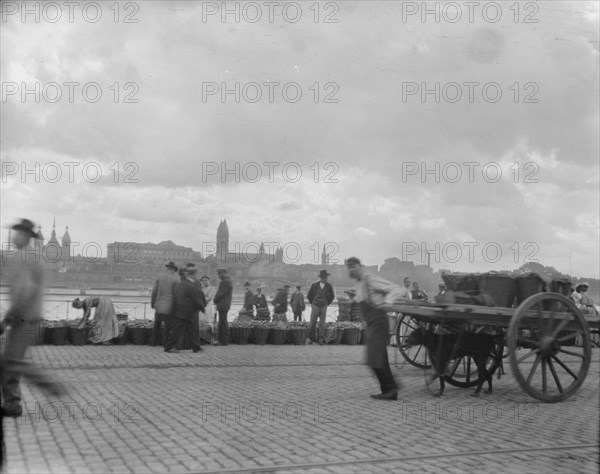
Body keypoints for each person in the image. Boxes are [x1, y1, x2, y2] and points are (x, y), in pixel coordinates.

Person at [346, 256, 409, 401]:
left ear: (360, 267)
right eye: (349, 267)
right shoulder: (358, 283)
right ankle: (389, 390)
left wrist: (388, 302)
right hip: (372, 323)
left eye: (353, 266)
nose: (351, 269)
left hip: (379, 321)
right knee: (379, 356)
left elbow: (397, 289)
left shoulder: (370, 278)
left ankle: (391, 387)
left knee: (373, 356)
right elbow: (365, 297)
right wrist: (354, 300)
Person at [1, 219, 44, 417]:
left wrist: (8, 318)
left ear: (25, 237)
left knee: (10, 362)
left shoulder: (21, 257)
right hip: (31, 318)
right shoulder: (35, 256)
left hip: (23, 318)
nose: (13, 237)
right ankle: (13, 402)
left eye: (17, 233)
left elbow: (24, 289)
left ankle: (13, 404)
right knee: (12, 361)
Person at [164, 263, 205, 353]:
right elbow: (196, 299)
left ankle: (196, 347)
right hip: (185, 312)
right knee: (177, 331)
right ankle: (168, 347)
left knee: (190, 330)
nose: (196, 276)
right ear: (192, 274)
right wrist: (202, 308)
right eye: (196, 274)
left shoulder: (182, 283)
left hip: (181, 311)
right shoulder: (190, 285)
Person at [150, 261, 180, 346]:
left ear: (167, 268)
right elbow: (176, 294)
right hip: (169, 305)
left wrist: (152, 303)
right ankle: (165, 342)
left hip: (159, 304)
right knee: (167, 325)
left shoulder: (159, 277)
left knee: (157, 324)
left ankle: (153, 342)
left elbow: (154, 291)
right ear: (174, 270)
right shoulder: (176, 279)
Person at [306, 270, 335, 345]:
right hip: (315, 306)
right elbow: (309, 295)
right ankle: (310, 339)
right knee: (312, 323)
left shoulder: (329, 286)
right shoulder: (314, 285)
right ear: (321, 278)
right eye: (324, 277)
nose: (325, 279)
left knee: (322, 324)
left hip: (324, 307)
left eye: (326, 277)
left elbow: (332, 297)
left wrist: (326, 303)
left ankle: (321, 340)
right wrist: (312, 304)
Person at [213, 267, 233, 346]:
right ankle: (223, 340)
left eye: (219, 274)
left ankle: (223, 340)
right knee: (223, 322)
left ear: (224, 273)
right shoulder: (228, 281)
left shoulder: (225, 282)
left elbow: (220, 293)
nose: (218, 276)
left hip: (223, 304)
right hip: (225, 304)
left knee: (223, 322)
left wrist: (215, 300)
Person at [199, 275, 216, 341]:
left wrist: (201, 301)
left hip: (207, 306)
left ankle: (209, 338)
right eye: (203, 281)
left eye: (206, 280)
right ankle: (202, 337)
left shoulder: (212, 288)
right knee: (201, 321)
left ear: (209, 280)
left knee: (208, 321)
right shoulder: (202, 289)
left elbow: (210, 297)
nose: (205, 282)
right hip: (201, 306)